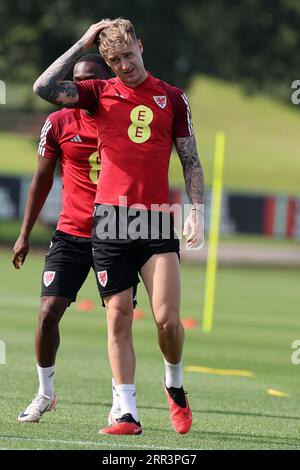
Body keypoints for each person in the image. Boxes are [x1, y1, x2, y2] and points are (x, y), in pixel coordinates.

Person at [32, 18, 204, 435]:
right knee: (119, 317)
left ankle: (174, 384)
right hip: (108, 220)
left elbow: (190, 160)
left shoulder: (173, 98)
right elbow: (43, 88)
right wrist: (83, 42)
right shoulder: (97, 93)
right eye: (114, 59)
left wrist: (197, 209)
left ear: (141, 47)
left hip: (155, 218)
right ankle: (126, 412)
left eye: (128, 55)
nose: (124, 65)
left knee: (167, 320)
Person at [12, 54, 123, 424]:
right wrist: (24, 234)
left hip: (115, 235)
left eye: (88, 79)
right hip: (71, 234)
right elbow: (42, 179)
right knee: (46, 315)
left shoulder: (123, 120)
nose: (79, 87)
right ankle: (45, 392)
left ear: (105, 82)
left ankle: (120, 402)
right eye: (74, 80)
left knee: (117, 322)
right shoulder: (58, 121)